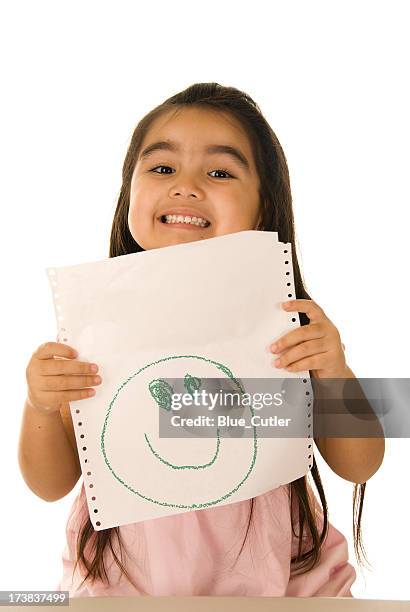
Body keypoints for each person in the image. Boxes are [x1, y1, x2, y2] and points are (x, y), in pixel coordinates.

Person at [19, 82, 385, 597]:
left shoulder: (287, 324)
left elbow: (360, 463)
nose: (185, 186)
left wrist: (334, 375)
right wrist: (39, 404)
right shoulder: (97, 327)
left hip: (280, 583)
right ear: (130, 194)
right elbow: (48, 484)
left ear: (263, 207)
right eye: (162, 168)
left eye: (219, 172)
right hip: (132, 587)